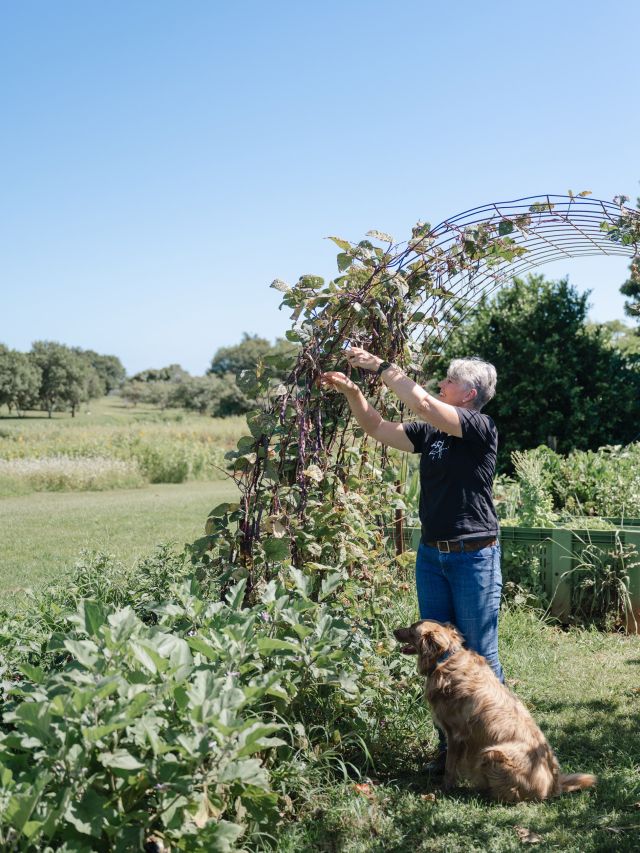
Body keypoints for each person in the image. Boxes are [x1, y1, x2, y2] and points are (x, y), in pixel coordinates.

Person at [320, 346, 504, 774]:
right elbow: (378, 428)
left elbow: (422, 401)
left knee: (480, 655)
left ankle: (495, 748)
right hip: (432, 556)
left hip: (473, 555)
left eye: (449, 381)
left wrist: (380, 367)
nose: (441, 384)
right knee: (439, 654)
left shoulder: (478, 426)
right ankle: (450, 754)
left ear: (468, 393)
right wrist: (352, 392)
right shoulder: (433, 434)